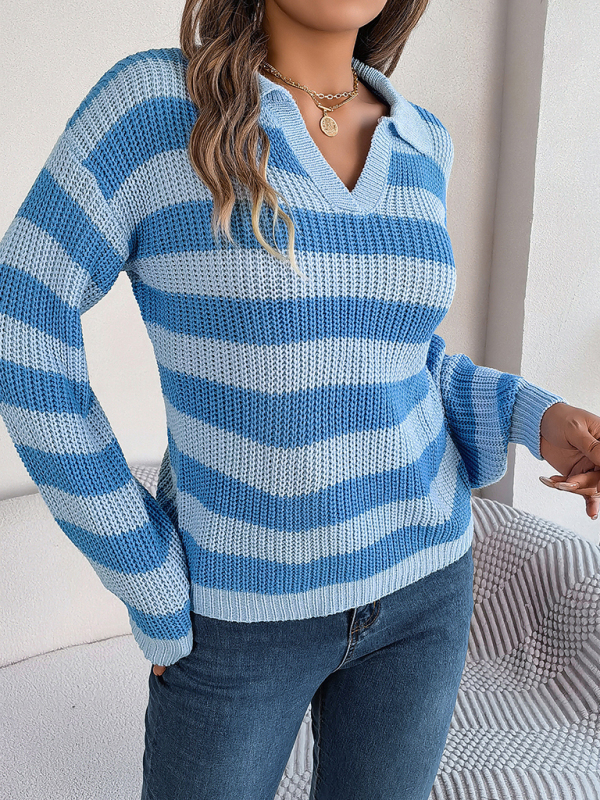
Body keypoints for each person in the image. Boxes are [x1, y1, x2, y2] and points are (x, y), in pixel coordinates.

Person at [0, 1, 599, 798]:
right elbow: (20, 320)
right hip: (236, 619)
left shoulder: (422, 141)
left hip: (425, 593)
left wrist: (537, 416)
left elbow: (400, 365)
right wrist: (147, 577)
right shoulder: (155, 109)